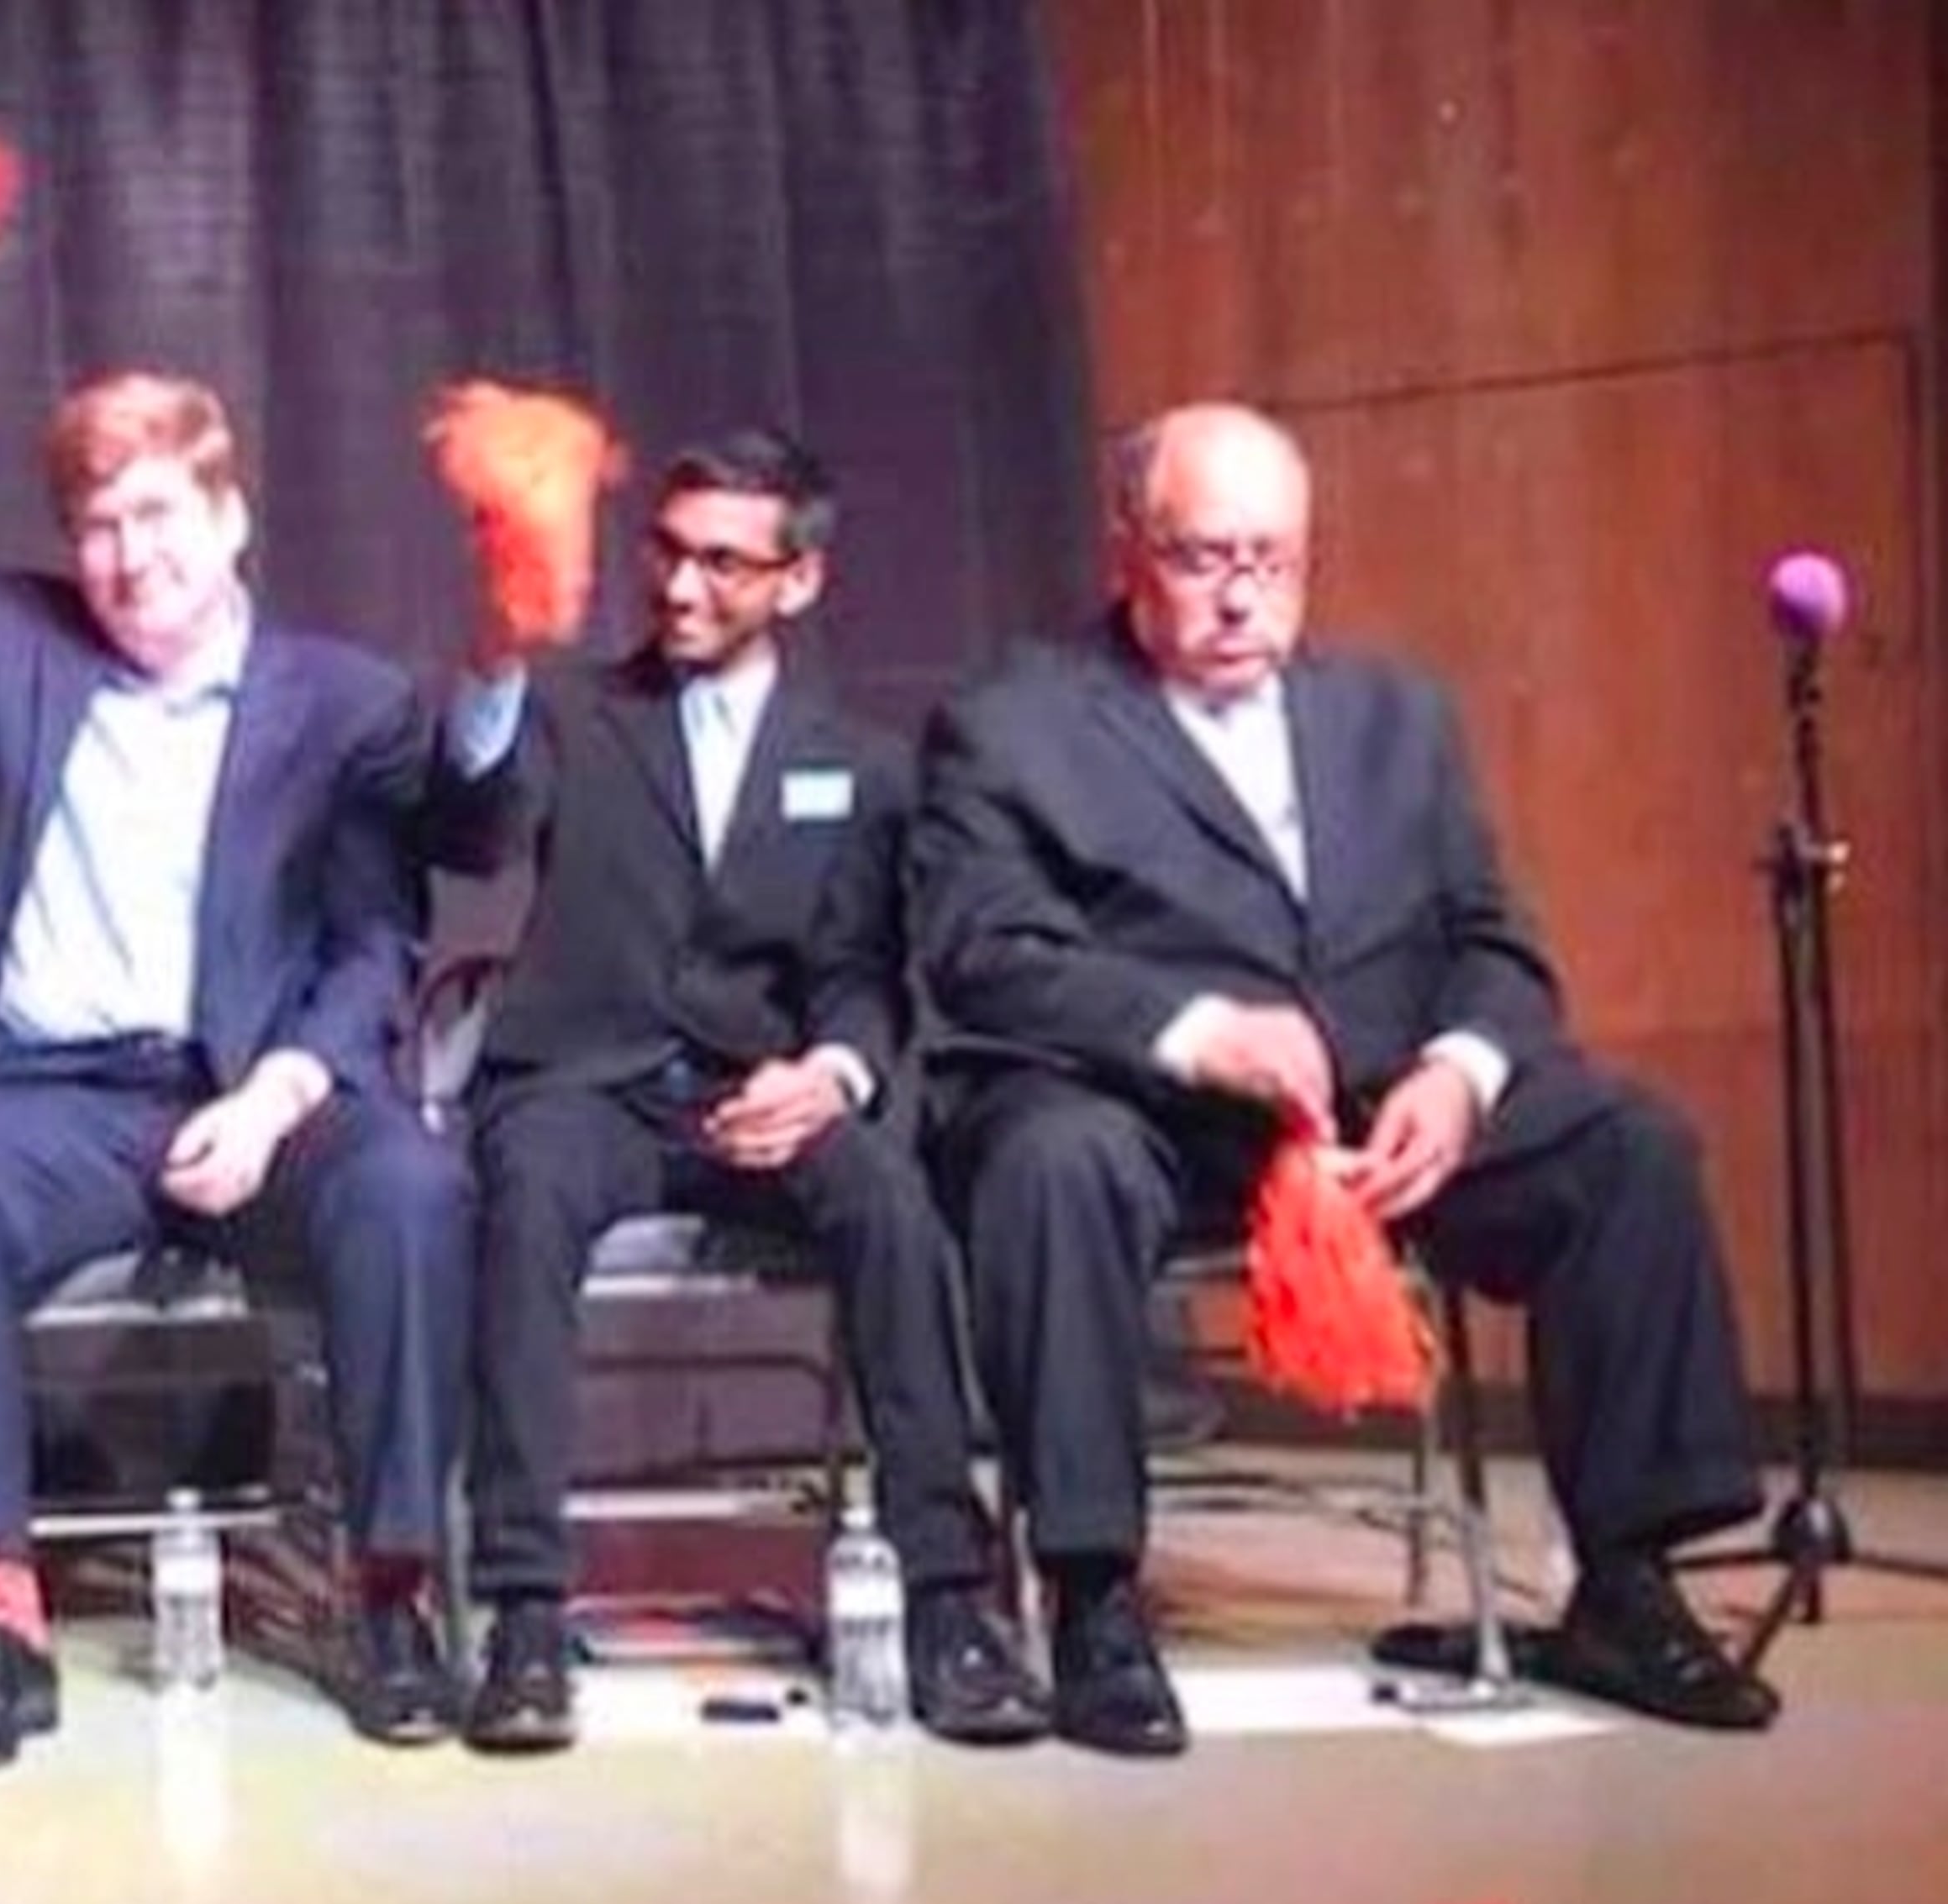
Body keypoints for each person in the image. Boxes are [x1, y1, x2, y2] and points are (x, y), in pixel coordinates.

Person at [913, 400, 1776, 1755]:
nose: (1245, 593)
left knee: (1626, 1144)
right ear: (1128, 550)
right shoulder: (1014, 723)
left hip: (1381, 1103)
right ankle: (1092, 1596)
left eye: (1275, 557)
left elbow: (1496, 941)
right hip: (1150, 1102)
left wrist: (1462, 1069)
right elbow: (982, 951)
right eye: (1206, 557)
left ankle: (1623, 1582)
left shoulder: (1395, 714)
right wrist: (1198, 1027)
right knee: (1046, 1162)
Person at [0, 228, 471, 1770]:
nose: (126, 555)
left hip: (259, 1091)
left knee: (410, 1188)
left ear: (231, 518)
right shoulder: (20, 646)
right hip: (49, 1099)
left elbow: (375, 947)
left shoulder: (342, 702)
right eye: (95, 525)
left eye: (156, 514)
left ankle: (398, 1588)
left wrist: (282, 1091)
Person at [425, 428, 1045, 1753]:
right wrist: (493, 657)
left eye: (724, 561)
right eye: (669, 550)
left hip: (759, 1090)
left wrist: (829, 1074)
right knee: (521, 1198)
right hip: (584, 1083)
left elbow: (866, 977)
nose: (685, 586)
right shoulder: (575, 714)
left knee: (890, 1201)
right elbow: (469, 829)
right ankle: (527, 1609)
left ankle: (949, 1600)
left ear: (799, 580)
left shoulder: (868, 763)